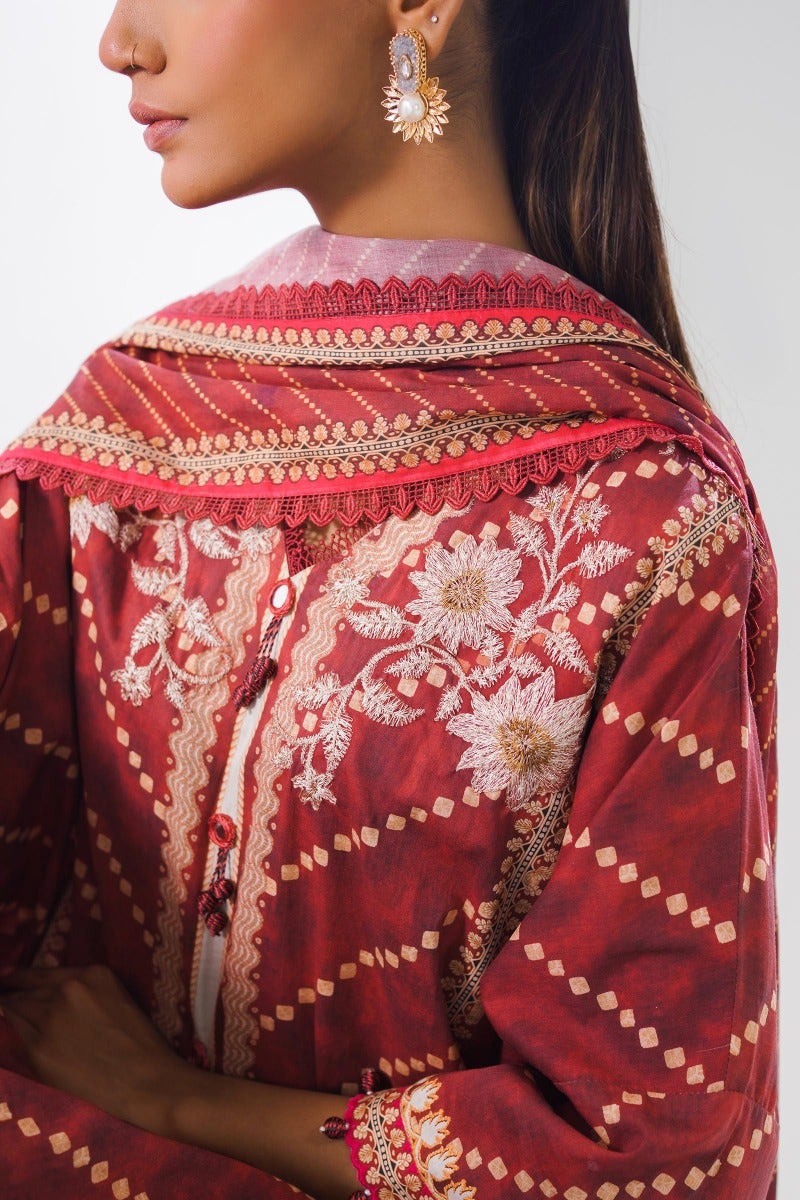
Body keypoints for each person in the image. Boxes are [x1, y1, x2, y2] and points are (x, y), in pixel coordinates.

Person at [0, 1, 778, 1198]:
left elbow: (651, 1149)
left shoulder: (644, 517)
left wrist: (173, 1105)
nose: (121, 40)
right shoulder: (107, 452)